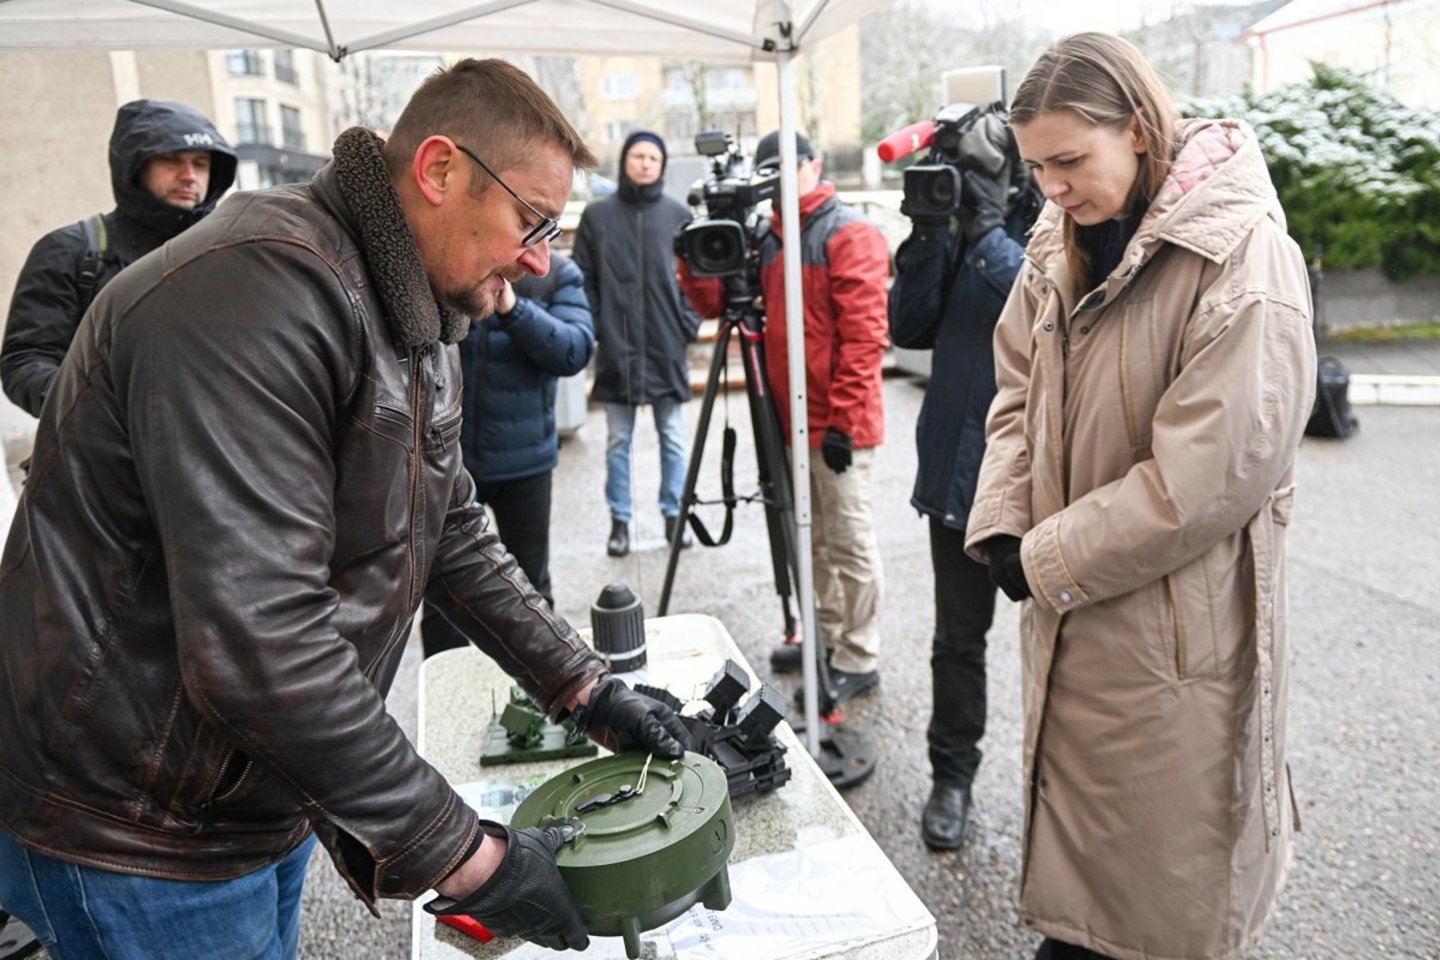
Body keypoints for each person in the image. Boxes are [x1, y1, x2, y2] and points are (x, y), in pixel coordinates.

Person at [0, 59, 690, 959]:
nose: (539, 259)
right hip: (136, 826)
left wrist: (584, 688)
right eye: (531, 220)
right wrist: (465, 855)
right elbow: (261, 643)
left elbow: (447, 526)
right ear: (439, 170)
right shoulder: (252, 293)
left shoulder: (418, 303)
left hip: (253, 785)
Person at [965, 33, 1314, 959]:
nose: (1052, 188)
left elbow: (1204, 479)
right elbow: (1015, 389)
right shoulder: (1059, 237)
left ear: (1139, 129)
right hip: (1075, 605)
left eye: (1070, 161)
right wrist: (1004, 518)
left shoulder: (1244, 261)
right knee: (1088, 888)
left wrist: (1042, 555)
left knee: (1156, 902)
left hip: (1175, 636)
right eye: (1035, 168)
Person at [680, 130, 890, 704]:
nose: (778, 182)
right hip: (787, 420)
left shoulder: (847, 232)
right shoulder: (767, 238)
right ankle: (825, 638)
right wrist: (691, 255)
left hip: (837, 423)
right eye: (768, 172)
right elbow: (715, 303)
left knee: (847, 542)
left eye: (787, 168)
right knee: (810, 541)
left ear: (813, 166)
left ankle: (858, 656)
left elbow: (865, 339)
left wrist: (844, 421)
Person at [888, 110, 1041, 850]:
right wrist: (929, 233)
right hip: (960, 471)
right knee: (957, 642)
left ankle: (1064, 791)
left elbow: (1048, 308)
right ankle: (952, 776)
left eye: (982, 168)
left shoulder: (1056, 216)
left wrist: (986, 228)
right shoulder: (955, 221)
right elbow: (909, 328)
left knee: (1072, 646)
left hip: (1043, 478)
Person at [2, 99, 236, 417]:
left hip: (223, 442)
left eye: (201, 163)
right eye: (170, 160)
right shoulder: (71, 249)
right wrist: (105, 414)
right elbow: (26, 361)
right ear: (135, 166)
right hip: (111, 445)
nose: (189, 175)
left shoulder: (231, 249)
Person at [421, 250, 594, 656]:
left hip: (525, 465)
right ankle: (448, 685)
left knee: (530, 588)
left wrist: (514, 310)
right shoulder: (454, 263)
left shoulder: (557, 274)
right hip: (450, 462)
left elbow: (573, 350)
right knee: (443, 593)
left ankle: (543, 683)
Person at [572, 129, 701, 557]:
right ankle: (620, 521)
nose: (645, 163)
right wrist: (599, 324)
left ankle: (674, 515)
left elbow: (697, 280)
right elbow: (582, 277)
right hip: (617, 345)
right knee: (617, 442)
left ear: (661, 165)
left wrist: (686, 324)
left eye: (653, 157)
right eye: (638, 155)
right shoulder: (598, 216)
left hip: (666, 343)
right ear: (625, 160)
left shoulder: (678, 215)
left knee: (673, 436)